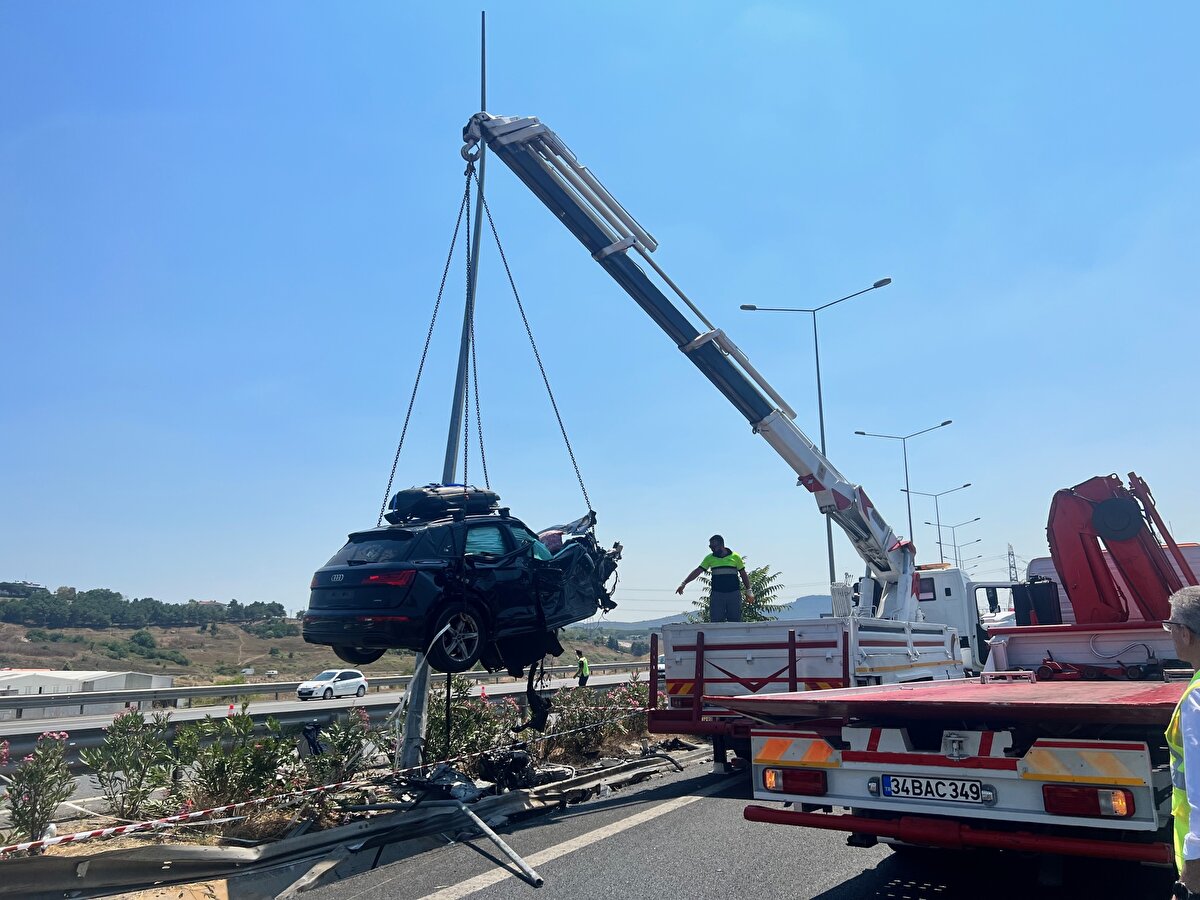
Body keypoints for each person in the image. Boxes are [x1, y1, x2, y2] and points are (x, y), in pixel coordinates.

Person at [1167, 586, 1200, 900]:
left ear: (1186, 634)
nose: (1170, 634)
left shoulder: (1197, 699)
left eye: (1171, 626)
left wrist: (1190, 880)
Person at [675, 534, 754, 623]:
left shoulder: (735, 557)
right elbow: (698, 571)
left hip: (733, 594)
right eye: (710, 546)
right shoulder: (709, 558)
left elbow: (743, 574)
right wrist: (684, 583)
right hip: (717, 595)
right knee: (716, 622)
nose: (712, 549)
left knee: (735, 621)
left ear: (722, 545)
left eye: (714, 546)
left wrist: (749, 590)